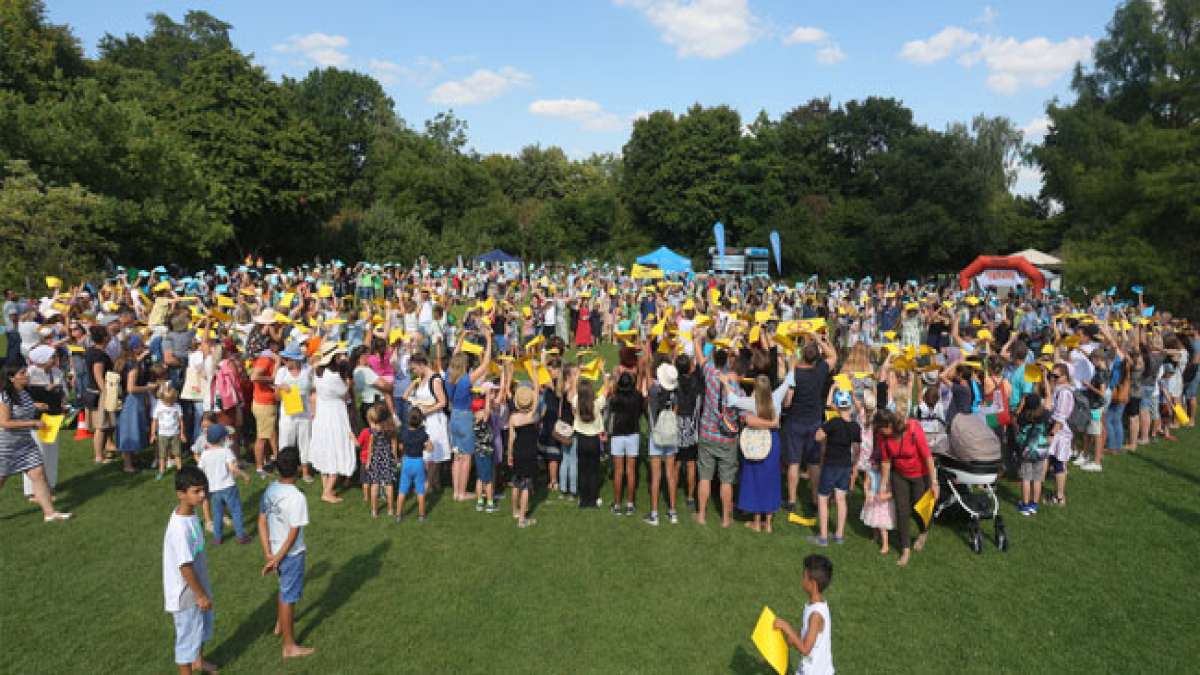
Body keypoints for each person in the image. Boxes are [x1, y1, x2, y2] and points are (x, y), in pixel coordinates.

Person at [258, 446, 314, 660]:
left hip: (275, 550)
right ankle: (289, 646)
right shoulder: (297, 498)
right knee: (288, 597)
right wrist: (278, 558)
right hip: (290, 554)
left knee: (284, 590)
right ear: (298, 468)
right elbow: (293, 533)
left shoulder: (270, 490)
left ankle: (280, 626)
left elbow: (262, 520)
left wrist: (268, 553)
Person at [162, 466, 217, 674]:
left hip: (198, 583)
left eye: (203, 489)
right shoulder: (179, 529)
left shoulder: (191, 515)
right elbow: (184, 566)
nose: (202, 495)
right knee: (187, 637)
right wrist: (200, 595)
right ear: (181, 494)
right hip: (186, 592)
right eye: (196, 491)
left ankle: (199, 662)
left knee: (201, 627)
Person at [0, 365, 70, 521]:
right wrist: (32, 423)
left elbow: (23, 408)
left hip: (25, 443)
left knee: (38, 474)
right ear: (12, 378)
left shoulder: (24, 393)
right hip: (6, 446)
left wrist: (36, 406)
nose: (27, 374)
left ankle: (50, 514)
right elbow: (4, 423)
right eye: (22, 373)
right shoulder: (4, 397)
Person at [781, 336, 837, 511]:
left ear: (802, 355)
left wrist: (791, 368)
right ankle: (814, 499)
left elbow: (787, 403)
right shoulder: (820, 370)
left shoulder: (794, 372)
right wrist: (820, 339)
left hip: (795, 422)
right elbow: (833, 356)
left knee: (794, 463)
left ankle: (791, 500)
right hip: (814, 422)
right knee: (814, 463)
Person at [875, 408, 938, 567]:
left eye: (882, 428)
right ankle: (905, 550)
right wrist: (883, 485)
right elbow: (886, 462)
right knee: (902, 511)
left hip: (919, 474)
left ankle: (923, 531)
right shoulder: (882, 436)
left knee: (918, 509)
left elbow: (928, 456)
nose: (880, 432)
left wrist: (934, 482)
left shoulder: (913, 429)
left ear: (890, 425)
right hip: (899, 475)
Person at [729, 374, 786, 533]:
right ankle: (768, 524)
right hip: (773, 442)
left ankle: (756, 522)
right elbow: (787, 383)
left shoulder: (751, 402)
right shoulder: (776, 398)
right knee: (771, 481)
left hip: (756, 443)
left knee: (755, 479)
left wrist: (726, 383)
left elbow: (732, 399)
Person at [445, 329, 492, 502]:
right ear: (464, 365)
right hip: (465, 418)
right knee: (466, 458)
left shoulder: (448, 376)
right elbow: (485, 364)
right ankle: (462, 493)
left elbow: (454, 357)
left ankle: (456, 492)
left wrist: (462, 337)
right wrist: (488, 339)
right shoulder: (466, 380)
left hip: (453, 417)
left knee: (457, 456)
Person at [810, 390, 861, 546]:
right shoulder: (855, 426)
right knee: (841, 498)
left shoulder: (833, 423)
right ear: (850, 406)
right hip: (845, 465)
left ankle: (823, 537)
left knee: (823, 498)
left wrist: (825, 433)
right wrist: (854, 465)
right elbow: (857, 449)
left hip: (831, 464)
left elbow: (817, 436)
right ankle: (839, 535)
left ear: (837, 406)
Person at [772, 554, 834, 675]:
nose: (802, 579)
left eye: (804, 576)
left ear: (813, 584)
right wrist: (793, 638)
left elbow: (805, 649)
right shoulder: (814, 604)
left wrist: (787, 628)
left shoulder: (816, 615)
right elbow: (807, 630)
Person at [309, 344, 355, 504]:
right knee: (337, 447)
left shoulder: (318, 372)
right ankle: (327, 492)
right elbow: (345, 394)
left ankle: (326, 487)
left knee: (325, 446)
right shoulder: (334, 377)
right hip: (335, 414)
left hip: (322, 413)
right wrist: (348, 384)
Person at [198, 424, 251, 544]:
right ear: (222, 439)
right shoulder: (226, 451)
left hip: (213, 490)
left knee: (217, 514)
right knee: (236, 511)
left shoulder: (204, 454)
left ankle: (218, 538)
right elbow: (232, 468)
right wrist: (244, 475)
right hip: (228, 487)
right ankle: (241, 536)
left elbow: (200, 471)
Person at [24, 345, 64, 500]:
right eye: (52, 357)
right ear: (42, 358)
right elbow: (20, 396)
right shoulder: (29, 373)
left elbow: (63, 392)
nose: (55, 360)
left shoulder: (57, 372)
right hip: (36, 418)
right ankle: (32, 490)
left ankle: (50, 485)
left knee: (52, 452)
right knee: (36, 453)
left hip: (53, 416)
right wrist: (34, 404)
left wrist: (62, 399)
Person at [645, 361, 680, 525]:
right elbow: (675, 412)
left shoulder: (654, 391)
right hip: (671, 434)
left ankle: (654, 514)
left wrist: (646, 367)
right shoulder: (675, 394)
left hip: (656, 435)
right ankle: (672, 512)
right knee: (670, 475)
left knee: (656, 476)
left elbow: (648, 383)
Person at [274, 346, 314, 482]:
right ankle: (285, 472)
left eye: (287, 359)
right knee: (286, 442)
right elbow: (276, 397)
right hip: (288, 414)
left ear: (296, 359)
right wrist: (280, 388)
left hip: (305, 413)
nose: (285, 361)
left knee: (305, 442)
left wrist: (314, 410)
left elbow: (313, 390)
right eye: (284, 358)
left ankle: (305, 471)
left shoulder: (308, 370)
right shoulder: (282, 372)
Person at [608, 371, 645, 516]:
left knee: (618, 471)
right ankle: (630, 505)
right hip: (633, 435)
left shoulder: (615, 398)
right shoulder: (637, 397)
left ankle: (617, 505)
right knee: (631, 471)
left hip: (618, 435)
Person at [571, 376, 607, 509]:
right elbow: (606, 390)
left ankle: (583, 499)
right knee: (593, 470)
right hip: (594, 440)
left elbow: (574, 391)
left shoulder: (576, 401)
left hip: (581, 440)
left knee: (582, 470)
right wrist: (605, 376)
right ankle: (593, 499)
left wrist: (577, 376)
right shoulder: (597, 403)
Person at [507, 386, 540, 528]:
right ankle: (522, 519)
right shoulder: (533, 417)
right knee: (526, 485)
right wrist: (535, 381)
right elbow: (536, 399)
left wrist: (509, 454)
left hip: (517, 452)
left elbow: (511, 439)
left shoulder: (513, 418)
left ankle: (515, 510)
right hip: (529, 453)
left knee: (516, 481)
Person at [83, 324, 115, 464]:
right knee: (101, 427)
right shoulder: (99, 355)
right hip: (99, 393)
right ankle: (98, 456)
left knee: (106, 425)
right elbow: (98, 375)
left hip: (92, 390)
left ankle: (107, 447)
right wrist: (106, 393)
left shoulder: (91, 351)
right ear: (105, 338)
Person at [1014, 393, 1049, 516]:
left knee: (1026, 478)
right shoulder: (1045, 414)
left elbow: (1016, 421)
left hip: (1027, 450)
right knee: (1037, 478)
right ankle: (1034, 505)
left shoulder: (1023, 417)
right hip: (1041, 449)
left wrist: (1021, 406)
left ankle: (1024, 505)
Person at [249, 337, 280, 477]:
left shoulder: (268, 359)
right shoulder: (266, 359)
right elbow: (254, 377)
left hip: (264, 402)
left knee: (268, 434)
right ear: (271, 346)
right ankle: (260, 468)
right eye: (277, 344)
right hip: (264, 403)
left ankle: (269, 460)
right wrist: (271, 379)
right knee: (262, 437)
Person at [362, 403, 399, 519]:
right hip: (387, 460)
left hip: (376, 461)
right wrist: (395, 458)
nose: (371, 425)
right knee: (389, 485)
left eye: (372, 422)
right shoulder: (391, 430)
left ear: (378, 421)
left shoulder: (373, 433)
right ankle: (390, 510)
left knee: (375, 485)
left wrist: (369, 461)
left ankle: (374, 511)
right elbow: (394, 446)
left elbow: (371, 447)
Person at [396, 408, 431, 522]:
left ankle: (398, 515)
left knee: (402, 489)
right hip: (418, 462)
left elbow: (401, 447)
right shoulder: (423, 434)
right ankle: (421, 515)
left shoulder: (403, 433)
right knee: (420, 490)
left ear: (408, 419)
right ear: (421, 421)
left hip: (406, 461)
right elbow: (430, 448)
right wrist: (423, 447)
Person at [151, 386, 186, 481]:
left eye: (171, 402)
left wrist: (182, 433)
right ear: (162, 399)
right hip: (162, 434)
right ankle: (161, 471)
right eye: (167, 402)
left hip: (175, 433)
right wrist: (153, 434)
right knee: (162, 454)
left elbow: (181, 421)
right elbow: (154, 421)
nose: (169, 404)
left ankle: (180, 470)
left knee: (177, 453)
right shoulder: (158, 407)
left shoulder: (177, 406)